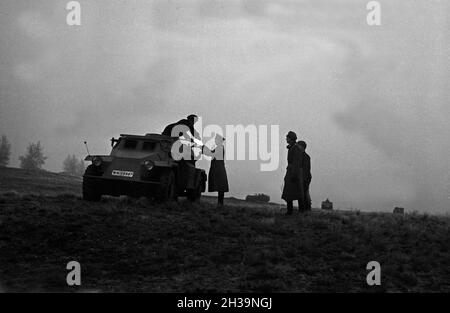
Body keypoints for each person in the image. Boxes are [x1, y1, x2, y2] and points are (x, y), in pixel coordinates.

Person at [281, 131, 305, 215]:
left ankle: (295, 211)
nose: (286, 138)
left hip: (293, 172)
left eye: (287, 137)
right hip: (291, 171)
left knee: (296, 193)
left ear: (291, 138)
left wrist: (294, 174)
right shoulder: (292, 147)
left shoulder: (295, 148)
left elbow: (296, 162)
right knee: (291, 192)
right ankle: (291, 210)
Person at [202, 134, 229, 206]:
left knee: (221, 187)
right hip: (219, 169)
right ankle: (220, 204)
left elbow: (211, 153)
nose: (215, 141)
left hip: (218, 169)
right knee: (221, 187)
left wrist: (203, 149)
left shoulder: (219, 147)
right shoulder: (219, 147)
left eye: (216, 140)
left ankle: (220, 204)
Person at [297, 140, 312, 211]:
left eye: (298, 146)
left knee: (305, 193)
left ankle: (306, 209)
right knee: (301, 193)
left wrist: (304, 180)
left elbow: (306, 169)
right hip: (302, 177)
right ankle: (303, 209)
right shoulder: (299, 156)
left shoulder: (306, 157)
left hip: (305, 178)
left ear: (302, 147)